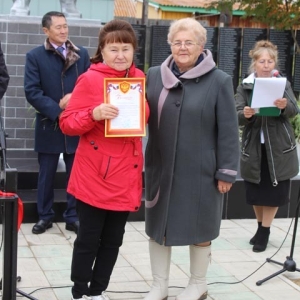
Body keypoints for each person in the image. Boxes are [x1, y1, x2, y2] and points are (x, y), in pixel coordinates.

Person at [144, 18, 240, 300]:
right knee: (158, 226)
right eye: (177, 42)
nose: (182, 47)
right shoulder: (153, 75)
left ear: (201, 45)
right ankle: (159, 285)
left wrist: (226, 171)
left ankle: (198, 284)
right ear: (170, 45)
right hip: (160, 168)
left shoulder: (219, 80)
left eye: (189, 42)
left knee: (200, 226)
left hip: (201, 170)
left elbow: (228, 131)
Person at [59, 19, 149, 300]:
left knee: (113, 240)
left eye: (125, 48)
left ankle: (97, 291)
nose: (120, 55)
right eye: (113, 49)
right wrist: (93, 114)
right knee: (88, 239)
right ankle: (79, 290)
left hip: (126, 173)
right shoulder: (90, 78)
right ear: (102, 50)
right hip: (96, 174)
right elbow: (67, 123)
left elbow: (143, 117)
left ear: (134, 50)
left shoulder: (139, 79)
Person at [24, 11, 90, 235]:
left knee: (76, 173)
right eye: (58, 27)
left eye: (65, 26)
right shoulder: (35, 56)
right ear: (46, 31)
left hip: (77, 124)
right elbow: (32, 92)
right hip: (49, 124)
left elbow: (90, 85)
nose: (64, 30)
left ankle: (73, 216)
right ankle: (45, 216)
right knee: (46, 174)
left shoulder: (82, 55)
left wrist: (74, 102)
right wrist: (58, 111)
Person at [236, 40, 299, 252]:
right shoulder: (244, 85)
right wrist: (245, 114)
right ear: (254, 63)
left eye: (270, 61)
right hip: (254, 145)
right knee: (256, 190)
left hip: (278, 147)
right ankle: (259, 227)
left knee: (273, 191)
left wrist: (284, 106)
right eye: (262, 61)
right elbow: (235, 114)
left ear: (274, 62)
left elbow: (294, 110)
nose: (266, 65)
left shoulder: (282, 83)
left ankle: (265, 230)